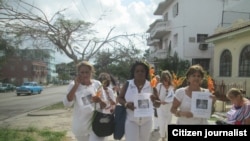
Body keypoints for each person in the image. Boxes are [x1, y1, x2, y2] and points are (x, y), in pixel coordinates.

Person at [62, 61, 108, 141]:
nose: (85, 75)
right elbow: (67, 104)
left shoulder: (97, 84)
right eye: (82, 72)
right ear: (78, 73)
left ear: (92, 72)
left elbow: (105, 105)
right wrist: (76, 85)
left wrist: (99, 100)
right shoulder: (73, 85)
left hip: (97, 124)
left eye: (87, 72)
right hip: (81, 126)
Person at [117, 60, 155, 141]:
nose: (140, 73)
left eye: (142, 71)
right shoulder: (128, 84)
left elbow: (158, 103)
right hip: (131, 120)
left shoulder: (151, 85)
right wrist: (126, 104)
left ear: (146, 72)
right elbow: (119, 98)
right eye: (137, 71)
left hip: (147, 121)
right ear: (133, 73)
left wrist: (155, 101)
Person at [156, 70, 174, 141]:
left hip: (169, 107)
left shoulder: (172, 86)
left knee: (168, 124)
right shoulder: (159, 86)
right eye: (165, 79)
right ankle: (163, 138)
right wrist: (160, 101)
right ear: (162, 79)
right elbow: (155, 96)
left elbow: (174, 97)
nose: (166, 80)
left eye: (168, 78)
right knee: (162, 123)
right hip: (161, 108)